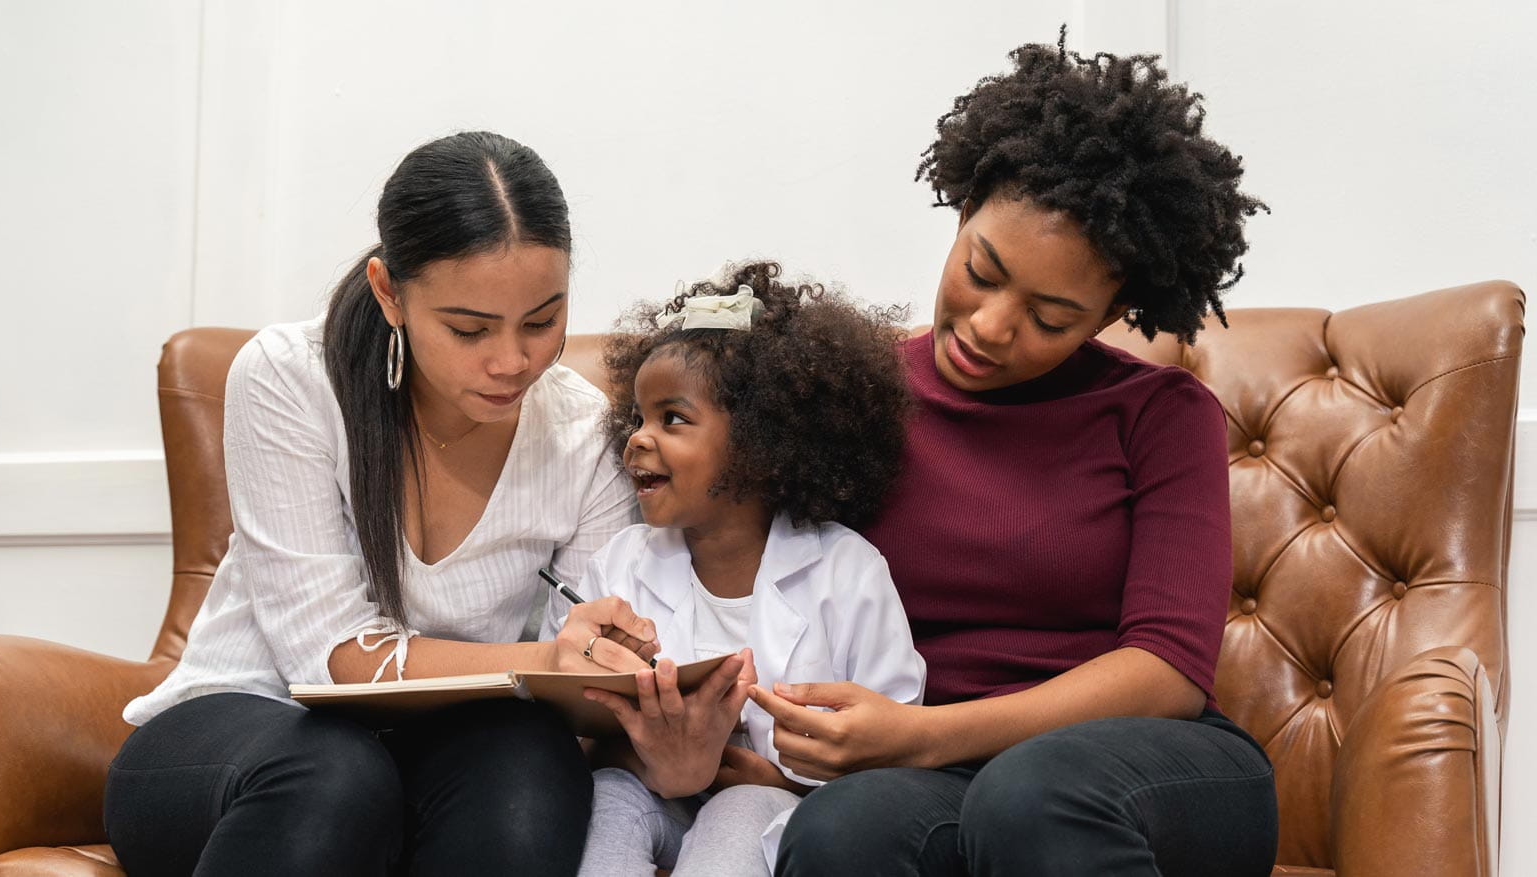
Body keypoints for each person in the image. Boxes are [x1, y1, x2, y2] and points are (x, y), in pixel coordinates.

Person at [755, 33, 1281, 876]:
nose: (993, 326)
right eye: (982, 270)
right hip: (947, 772)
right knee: (840, 832)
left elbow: (1168, 671)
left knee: (1031, 797)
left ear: (1113, 313)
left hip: (1150, 766)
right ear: (961, 215)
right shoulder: (852, 395)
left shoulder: (1160, 414)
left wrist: (923, 735)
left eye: (1050, 316)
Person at [102, 131, 670, 877]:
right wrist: (545, 658)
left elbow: (582, 684)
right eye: (467, 329)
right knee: (336, 772)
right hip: (237, 741)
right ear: (388, 291)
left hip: (432, 758)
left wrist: (615, 664)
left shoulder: (583, 431)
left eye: (542, 320)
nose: (512, 361)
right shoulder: (288, 379)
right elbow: (330, 658)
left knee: (531, 759)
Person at [548, 262, 927, 877]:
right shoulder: (619, 564)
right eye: (637, 418)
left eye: (672, 418)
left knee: (740, 808)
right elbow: (568, 730)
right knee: (612, 803)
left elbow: (895, 746)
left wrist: (776, 779)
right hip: (651, 792)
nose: (638, 439)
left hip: (784, 806)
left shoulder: (848, 571)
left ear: (761, 443)